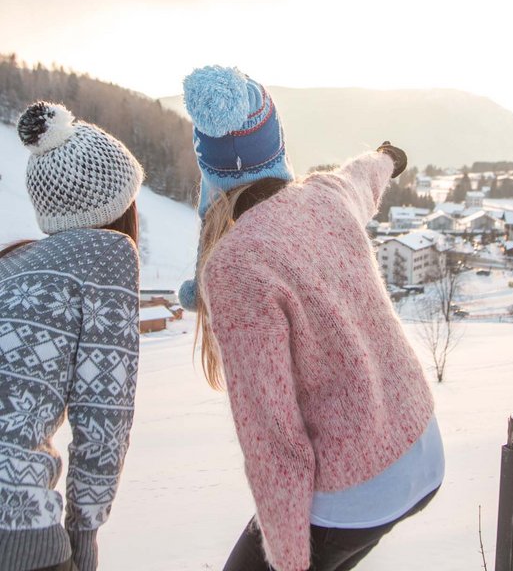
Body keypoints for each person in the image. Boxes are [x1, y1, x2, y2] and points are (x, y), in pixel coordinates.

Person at [179, 67, 445, 571]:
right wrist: (387, 157)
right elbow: (361, 176)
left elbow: (273, 440)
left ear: (208, 170)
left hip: (360, 487)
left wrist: (288, 562)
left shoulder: (234, 268)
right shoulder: (325, 196)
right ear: (276, 144)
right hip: (423, 450)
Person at [0, 101, 144, 571]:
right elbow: (103, 418)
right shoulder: (107, 255)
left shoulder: (12, 266)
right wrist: (84, 536)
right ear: (119, 204)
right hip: (15, 525)